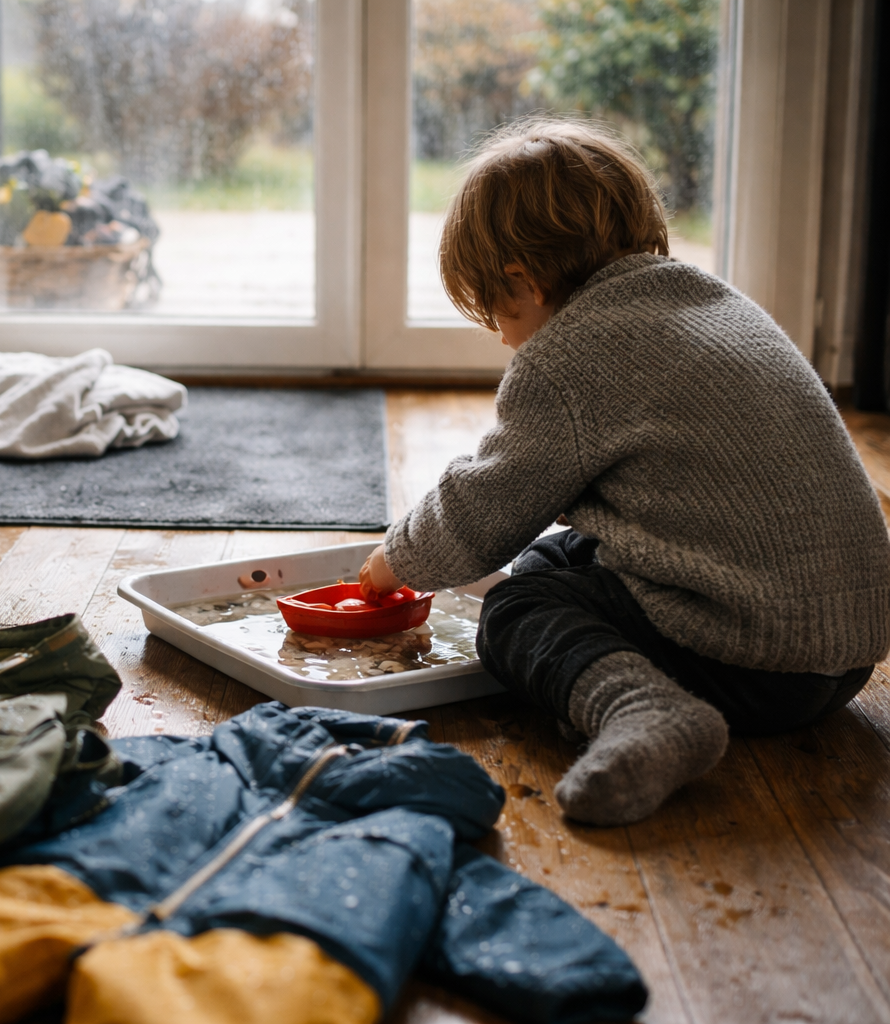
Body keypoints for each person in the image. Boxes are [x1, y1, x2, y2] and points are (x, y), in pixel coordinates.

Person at [359, 118, 890, 826]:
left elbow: (480, 513)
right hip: (848, 653)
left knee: (517, 608)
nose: (504, 336)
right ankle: (652, 693)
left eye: (496, 313)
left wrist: (393, 561)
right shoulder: (716, 304)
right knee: (556, 557)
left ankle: (647, 711)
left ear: (524, 281)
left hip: (751, 662)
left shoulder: (568, 358)